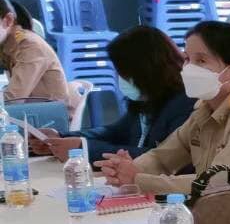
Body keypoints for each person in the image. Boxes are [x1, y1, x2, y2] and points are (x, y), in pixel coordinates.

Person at [98, 22, 230, 224]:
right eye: (187, 59)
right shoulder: (204, 109)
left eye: (201, 61)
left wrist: (138, 179)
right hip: (223, 221)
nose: (189, 69)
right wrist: (130, 170)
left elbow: (214, 184)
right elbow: (163, 156)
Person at [39, 26, 193, 161]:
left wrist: (84, 148)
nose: (120, 79)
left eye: (123, 73)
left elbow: (160, 158)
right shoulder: (147, 99)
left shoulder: (184, 103)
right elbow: (115, 131)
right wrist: (60, 137)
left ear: (146, 71)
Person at [0, 0, 78, 114]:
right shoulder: (8, 43)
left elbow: (12, 100)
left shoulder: (29, 46)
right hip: (29, 113)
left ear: (8, 20)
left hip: (49, 120)